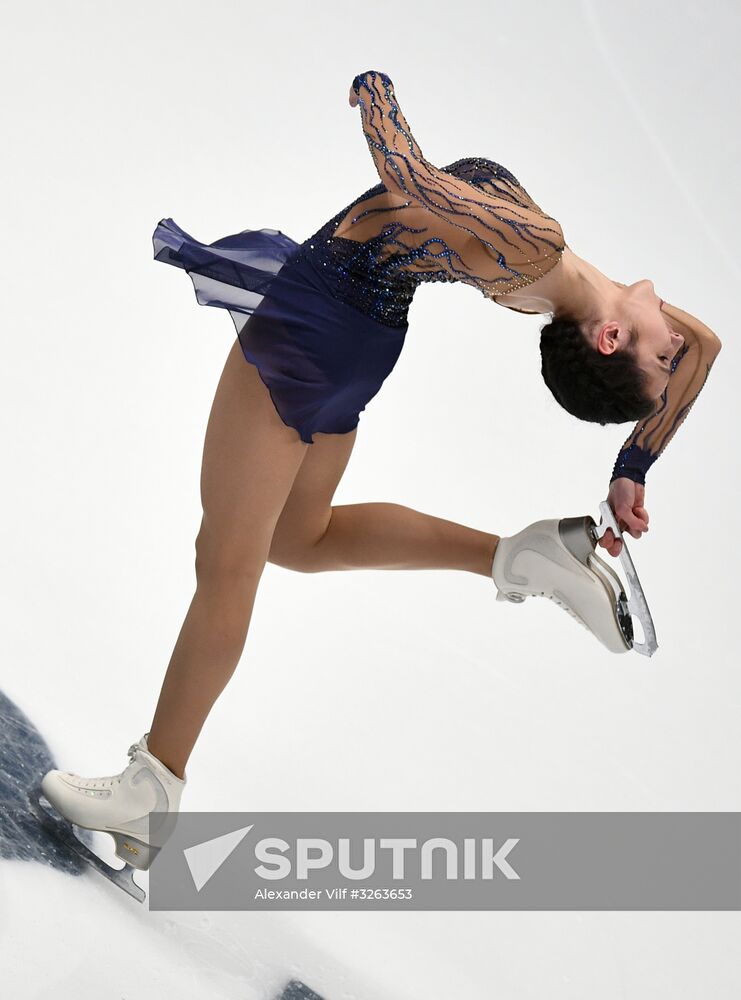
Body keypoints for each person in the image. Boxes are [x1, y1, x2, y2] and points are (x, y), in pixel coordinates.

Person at [38, 70, 722, 873]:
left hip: (315, 325)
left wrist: (378, 95)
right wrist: (633, 464)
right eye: (665, 355)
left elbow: (411, 180)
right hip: (359, 341)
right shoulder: (570, 284)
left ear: (608, 341)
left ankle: (151, 788)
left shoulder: (539, 254)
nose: (674, 339)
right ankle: (518, 557)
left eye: (658, 353)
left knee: (224, 560)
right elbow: (706, 345)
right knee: (298, 537)